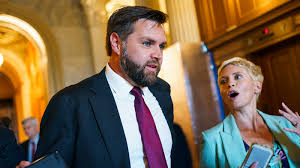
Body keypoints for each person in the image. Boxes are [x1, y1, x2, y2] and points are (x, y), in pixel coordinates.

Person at [18, 6, 175, 168]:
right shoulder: (70, 103)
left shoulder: (162, 92)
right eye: (147, 43)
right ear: (116, 43)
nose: (158, 54)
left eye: (161, 46)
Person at [199, 57, 300, 167]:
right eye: (223, 81)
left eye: (237, 77)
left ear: (257, 87)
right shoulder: (212, 140)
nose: (230, 84)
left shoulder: (287, 125)